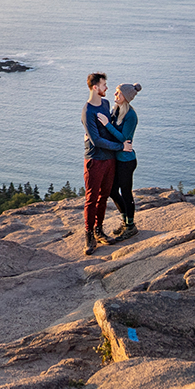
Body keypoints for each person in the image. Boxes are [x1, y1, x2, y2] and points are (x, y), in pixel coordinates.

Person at [82, 72, 123, 253]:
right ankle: (89, 235)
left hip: (109, 159)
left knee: (104, 196)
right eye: (104, 85)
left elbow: (110, 126)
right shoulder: (87, 111)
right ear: (95, 87)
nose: (107, 88)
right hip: (95, 159)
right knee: (91, 199)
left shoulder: (106, 104)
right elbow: (96, 140)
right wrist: (119, 146)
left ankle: (99, 230)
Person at [104, 82, 140, 239]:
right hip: (118, 158)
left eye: (118, 93)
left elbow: (123, 138)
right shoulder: (117, 110)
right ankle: (126, 222)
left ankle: (131, 226)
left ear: (125, 96)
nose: (115, 95)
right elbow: (119, 140)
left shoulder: (131, 116)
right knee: (112, 190)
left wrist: (106, 124)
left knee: (126, 193)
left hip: (126, 161)